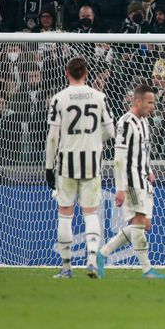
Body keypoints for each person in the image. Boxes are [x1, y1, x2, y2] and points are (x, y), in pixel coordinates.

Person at [45, 57, 115, 278]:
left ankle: (66, 267)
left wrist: (48, 167)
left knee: (65, 213)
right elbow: (111, 132)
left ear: (67, 73)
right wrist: (96, 140)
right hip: (92, 161)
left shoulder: (59, 98)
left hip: (67, 162)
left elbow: (53, 137)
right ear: (86, 73)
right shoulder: (99, 97)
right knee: (91, 212)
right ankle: (92, 261)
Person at [96, 84, 165, 279]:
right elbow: (119, 158)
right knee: (138, 222)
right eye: (150, 102)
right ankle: (147, 269)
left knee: (145, 225)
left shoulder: (144, 122)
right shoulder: (125, 123)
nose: (153, 106)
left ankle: (101, 254)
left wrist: (150, 170)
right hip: (131, 182)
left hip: (144, 180)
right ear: (137, 101)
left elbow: (143, 151)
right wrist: (120, 189)